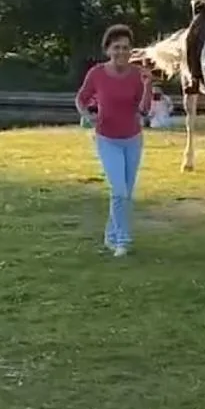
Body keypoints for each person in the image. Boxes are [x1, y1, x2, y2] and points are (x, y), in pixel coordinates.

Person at [77, 24, 154, 257]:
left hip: (132, 139)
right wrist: (87, 115)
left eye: (126, 48)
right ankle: (122, 240)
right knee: (118, 191)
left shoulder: (136, 74)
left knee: (125, 193)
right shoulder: (97, 73)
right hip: (106, 138)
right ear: (108, 50)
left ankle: (111, 235)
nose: (121, 52)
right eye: (116, 47)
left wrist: (148, 86)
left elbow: (144, 111)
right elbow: (81, 99)